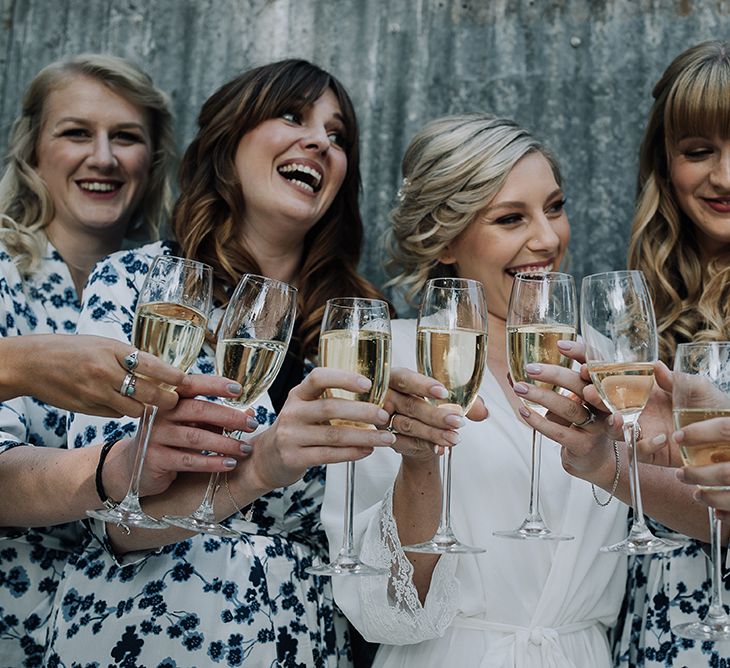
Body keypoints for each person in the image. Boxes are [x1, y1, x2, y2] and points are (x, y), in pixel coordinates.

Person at [43, 58, 466, 667]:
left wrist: (419, 457)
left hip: (307, 643)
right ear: (226, 143)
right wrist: (260, 467)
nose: (319, 141)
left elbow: (381, 552)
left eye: (338, 135)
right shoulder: (141, 285)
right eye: (292, 116)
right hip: (145, 635)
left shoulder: (366, 323)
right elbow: (116, 517)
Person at [320, 114, 629, 667]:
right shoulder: (384, 359)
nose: (548, 237)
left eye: (554, 207)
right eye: (511, 218)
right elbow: (386, 611)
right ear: (443, 240)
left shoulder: (607, 361)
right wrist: (418, 464)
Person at [0, 54, 259, 667]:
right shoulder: (4, 279)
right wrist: (116, 472)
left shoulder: (172, 290)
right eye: (75, 132)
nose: (105, 157)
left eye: (126, 137)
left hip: (133, 629)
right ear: (32, 149)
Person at [519, 40, 730, 667]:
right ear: (664, 166)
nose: (723, 176)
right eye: (699, 152)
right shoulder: (636, 315)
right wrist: (612, 462)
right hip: (657, 635)